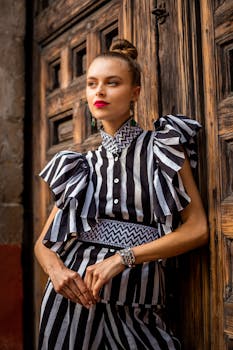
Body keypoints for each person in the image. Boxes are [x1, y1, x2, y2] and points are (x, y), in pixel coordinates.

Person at [34, 38, 208, 350]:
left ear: (135, 93)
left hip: (137, 304)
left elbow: (197, 229)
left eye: (112, 83)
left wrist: (123, 258)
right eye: (91, 84)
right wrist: (57, 271)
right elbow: (44, 245)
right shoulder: (81, 165)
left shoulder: (162, 147)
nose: (99, 92)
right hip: (72, 308)